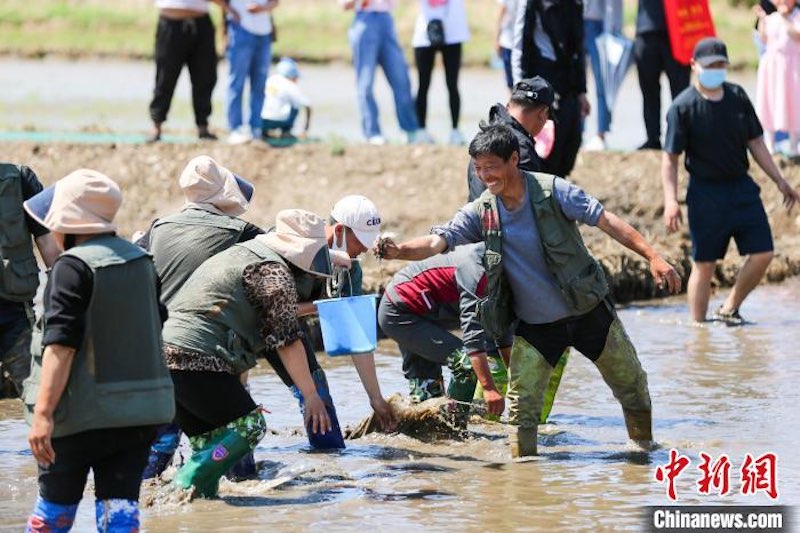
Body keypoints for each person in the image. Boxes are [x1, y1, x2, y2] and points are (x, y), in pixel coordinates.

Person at [378, 124, 682, 458]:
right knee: (521, 411)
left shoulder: (553, 191)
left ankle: (643, 451)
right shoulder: (483, 210)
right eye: (478, 168)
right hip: (537, 328)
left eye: (491, 166)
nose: (485, 175)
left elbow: (606, 220)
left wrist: (653, 257)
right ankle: (523, 471)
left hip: (588, 312)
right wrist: (399, 250)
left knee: (632, 385)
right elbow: (438, 241)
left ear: (513, 159)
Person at [23, 169, 174, 531]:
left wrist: (43, 414)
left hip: (79, 420)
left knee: (53, 516)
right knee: (119, 515)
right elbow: (155, 324)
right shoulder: (142, 261)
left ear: (68, 221)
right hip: (137, 419)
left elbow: (61, 345)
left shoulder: (71, 267)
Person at [161, 209, 336, 498]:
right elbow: (286, 341)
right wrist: (311, 395)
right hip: (195, 357)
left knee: (210, 444)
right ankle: (179, 485)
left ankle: (194, 507)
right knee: (250, 426)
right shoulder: (273, 272)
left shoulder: (244, 253)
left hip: (163, 357)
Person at [136, 155, 261, 479]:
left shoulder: (157, 228)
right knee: (238, 431)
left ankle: (153, 491)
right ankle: (240, 488)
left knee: (161, 441)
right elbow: (279, 253)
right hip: (206, 350)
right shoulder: (240, 231)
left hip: (155, 349)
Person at [662, 37, 800, 324]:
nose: (716, 70)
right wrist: (671, 201)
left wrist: (780, 180)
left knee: (764, 253)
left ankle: (729, 308)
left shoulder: (737, 96)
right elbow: (670, 159)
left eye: (720, 65)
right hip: (705, 194)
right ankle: (698, 331)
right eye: (710, 65)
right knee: (704, 264)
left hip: (741, 188)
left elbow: (756, 142)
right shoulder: (682, 107)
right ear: (694, 65)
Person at [264, 195, 397, 445]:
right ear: (339, 231)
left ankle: (327, 459)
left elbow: (356, 336)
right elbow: (267, 309)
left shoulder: (350, 269)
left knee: (319, 397)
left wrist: (376, 398)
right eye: (360, 241)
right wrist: (320, 306)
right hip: (253, 327)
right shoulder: (289, 246)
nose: (365, 249)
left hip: (290, 331)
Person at [378, 243, 514, 420]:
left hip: (428, 314)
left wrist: (516, 380)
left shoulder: (507, 274)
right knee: (466, 364)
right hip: (401, 311)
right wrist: (488, 388)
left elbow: (501, 331)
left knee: (426, 401)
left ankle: (422, 429)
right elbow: (473, 336)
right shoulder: (479, 272)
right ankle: (454, 426)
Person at [511, 0, 590, 177]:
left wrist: (582, 91)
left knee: (571, 143)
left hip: (569, 83)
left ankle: (558, 186)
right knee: (546, 151)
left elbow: (579, 49)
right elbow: (519, 47)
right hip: (542, 82)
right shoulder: (531, 3)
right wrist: (519, 92)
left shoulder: (576, 4)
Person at [0, 164, 59, 400]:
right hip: (15, 309)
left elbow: (47, 241)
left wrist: (67, 291)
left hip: (15, 313)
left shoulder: (19, 180)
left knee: (40, 394)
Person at [148, 0, 239, 142]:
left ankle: (203, 126)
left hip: (201, 23)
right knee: (165, 77)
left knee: (205, 76)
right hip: (171, 22)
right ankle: (157, 124)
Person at [341, 0, 425, 145]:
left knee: (401, 80)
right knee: (365, 83)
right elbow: (344, 4)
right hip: (364, 20)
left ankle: (410, 130)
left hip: (386, 20)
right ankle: (372, 132)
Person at [467, 76, 554, 202]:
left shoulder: (484, 136)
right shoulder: (520, 148)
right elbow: (526, 205)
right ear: (542, 113)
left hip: (475, 213)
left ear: (508, 106)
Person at [411, 0, 470, 145]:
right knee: (423, 85)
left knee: (452, 84)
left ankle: (455, 131)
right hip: (424, 34)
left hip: (453, 32)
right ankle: (421, 130)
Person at [634, 0, 690, 150]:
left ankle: (681, 137)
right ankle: (653, 137)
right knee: (649, 90)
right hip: (647, 29)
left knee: (681, 92)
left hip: (678, 29)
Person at [225, 0, 278, 144]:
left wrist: (263, 8)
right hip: (241, 30)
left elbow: (275, 2)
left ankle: (255, 128)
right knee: (236, 83)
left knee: (259, 85)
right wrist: (231, 11)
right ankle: (235, 128)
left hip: (264, 33)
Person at [755, 0, 800, 156]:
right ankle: (770, 144)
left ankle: (794, 144)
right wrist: (762, 18)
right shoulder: (771, 18)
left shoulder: (796, 16)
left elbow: (797, 35)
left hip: (792, 68)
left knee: (794, 103)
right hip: (773, 67)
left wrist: (785, 18)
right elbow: (763, 38)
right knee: (770, 101)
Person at [583, 0, 623, 151]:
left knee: (603, 82)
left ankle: (601, 133)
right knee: (574, 81)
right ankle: (577, 132)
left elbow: (612, 5)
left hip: (599, 24)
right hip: (575, 19)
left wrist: (611, 31)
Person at [261, 58, 313, 139]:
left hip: (261, 121)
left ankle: (264, 132)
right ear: (292, 75)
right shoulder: (290, 85)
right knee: (295, 106)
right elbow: (308, 105)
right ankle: (286, 131)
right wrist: (306, 128)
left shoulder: (270, 80)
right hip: (279, 121)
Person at [495, 0, 518, 92]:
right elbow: (500, 17)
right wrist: (496, 40)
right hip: (508, 41)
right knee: (510, 83)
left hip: (520, 42)